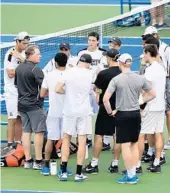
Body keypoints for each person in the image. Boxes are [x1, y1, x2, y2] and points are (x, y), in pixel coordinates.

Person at [103, 53, 156, 184]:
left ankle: (131, 175)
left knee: (126, 146)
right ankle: (132, 172)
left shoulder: (116, 79)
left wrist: (111, 113)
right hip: (135, 115)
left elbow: (105, 99)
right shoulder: (140, 78)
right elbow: (153, 94)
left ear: (120, 63)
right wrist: (140, 102)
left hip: (122, 115)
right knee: (133, 145)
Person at [82, 49, 121, 174]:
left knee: (99, 134)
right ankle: (115, 164)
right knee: (117, 136)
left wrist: (99, 94)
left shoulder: (103, 74)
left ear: (109, 58)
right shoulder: (123, 73)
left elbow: (96, 89)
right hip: (120, 108)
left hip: (106, 108)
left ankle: (94, 164)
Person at [56, 53, 93, 182]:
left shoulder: (68, 72)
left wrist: (68, 93)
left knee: (66, 139)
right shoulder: (90, 74)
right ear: (88, 63)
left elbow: (57, 89)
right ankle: (78, 174)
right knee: (82, 141)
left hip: (69, 110)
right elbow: (94, 89)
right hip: (84, 111)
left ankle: (64, 172)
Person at [14, 45, 46, 170]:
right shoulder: (36, 70)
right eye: (38, 54)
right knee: (39, 132)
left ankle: (28, 160)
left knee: (26, 131)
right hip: (34, 105)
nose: (40, 56)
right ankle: (38, 161)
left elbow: (17, 84)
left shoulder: (19, 68)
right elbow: (44, 87)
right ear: (31, 55)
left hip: (21, 104)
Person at [138, 44, 166, 173]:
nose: (144, 56)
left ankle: (137, 165)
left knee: (141, 134)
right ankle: (156, 162)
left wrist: (141, 102)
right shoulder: (162, 68)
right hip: (161, 105)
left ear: (149, 53)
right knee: (159, 133)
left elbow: (146, 89)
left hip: (151, 106)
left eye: (145, 53)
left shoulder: (150, 70)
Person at [142, 26, 170, 150]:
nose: (144, 43)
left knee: (167, 113)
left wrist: (142, 102)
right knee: (156, 129)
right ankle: (156, 154)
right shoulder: (151, 62)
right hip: (158, 90)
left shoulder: (166, 50)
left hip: (163, 84)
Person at [40, 53, 68, 175]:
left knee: (50, 139)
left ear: (55, 63)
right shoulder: (70, 74)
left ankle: (46, 166)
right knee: (65, 140)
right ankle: (63, 167)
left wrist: (51, 93)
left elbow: (42, 94)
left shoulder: (49, 75)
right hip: (67, 113)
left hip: (53, 112)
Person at [78, 32, 106, 148]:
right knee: (86, 112)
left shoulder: (103, 54)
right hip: (85, 87)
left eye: (93, 40)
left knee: (101, 111)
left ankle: (104, 139)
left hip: (98, 88)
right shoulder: (82, 53)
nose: (91, 42)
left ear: (98, 41)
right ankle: (88, 138)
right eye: (89, 40)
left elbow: (105, 71)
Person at [4, 31, 30, 147]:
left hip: (22, 91)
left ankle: (18, 143)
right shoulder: (10, 54)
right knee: (12, 118)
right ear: (17, 42)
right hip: (12, 91)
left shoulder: (25, 54)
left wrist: (23, 61)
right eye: (24, 43)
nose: (26, 45)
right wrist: (24, 68)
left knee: (20, 118)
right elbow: (10, 73)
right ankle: (10, 144)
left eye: (27, 43)